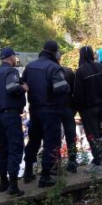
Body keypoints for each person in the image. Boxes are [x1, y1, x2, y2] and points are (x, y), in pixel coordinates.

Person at [22, 41, 70, 188]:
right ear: (55, 52)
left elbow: (23, 84)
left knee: (34, 139)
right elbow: (60, 88)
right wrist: (67, 86)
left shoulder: (30, 66)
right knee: (51, 142)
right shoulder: (54, 67)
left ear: (43, 50)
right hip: (50, 109)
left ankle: (28, 171)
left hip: (34, 109)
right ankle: (45, 176)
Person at [0, 48, 27, 196]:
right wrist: (23, 87)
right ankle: (13, 186)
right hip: (11, 115)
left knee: (3, 148)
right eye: (15, 56)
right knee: (15, 147)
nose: (16, 59)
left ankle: (3, 182)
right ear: (11, 57)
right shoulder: (12, 72)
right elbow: (12, 88)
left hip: (0, 116)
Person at [74, 46, 102, 174]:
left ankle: (97, 162)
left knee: (93, 135)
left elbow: (78, 93)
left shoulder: (81, 72)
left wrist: (78, 108)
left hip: (88, 109)